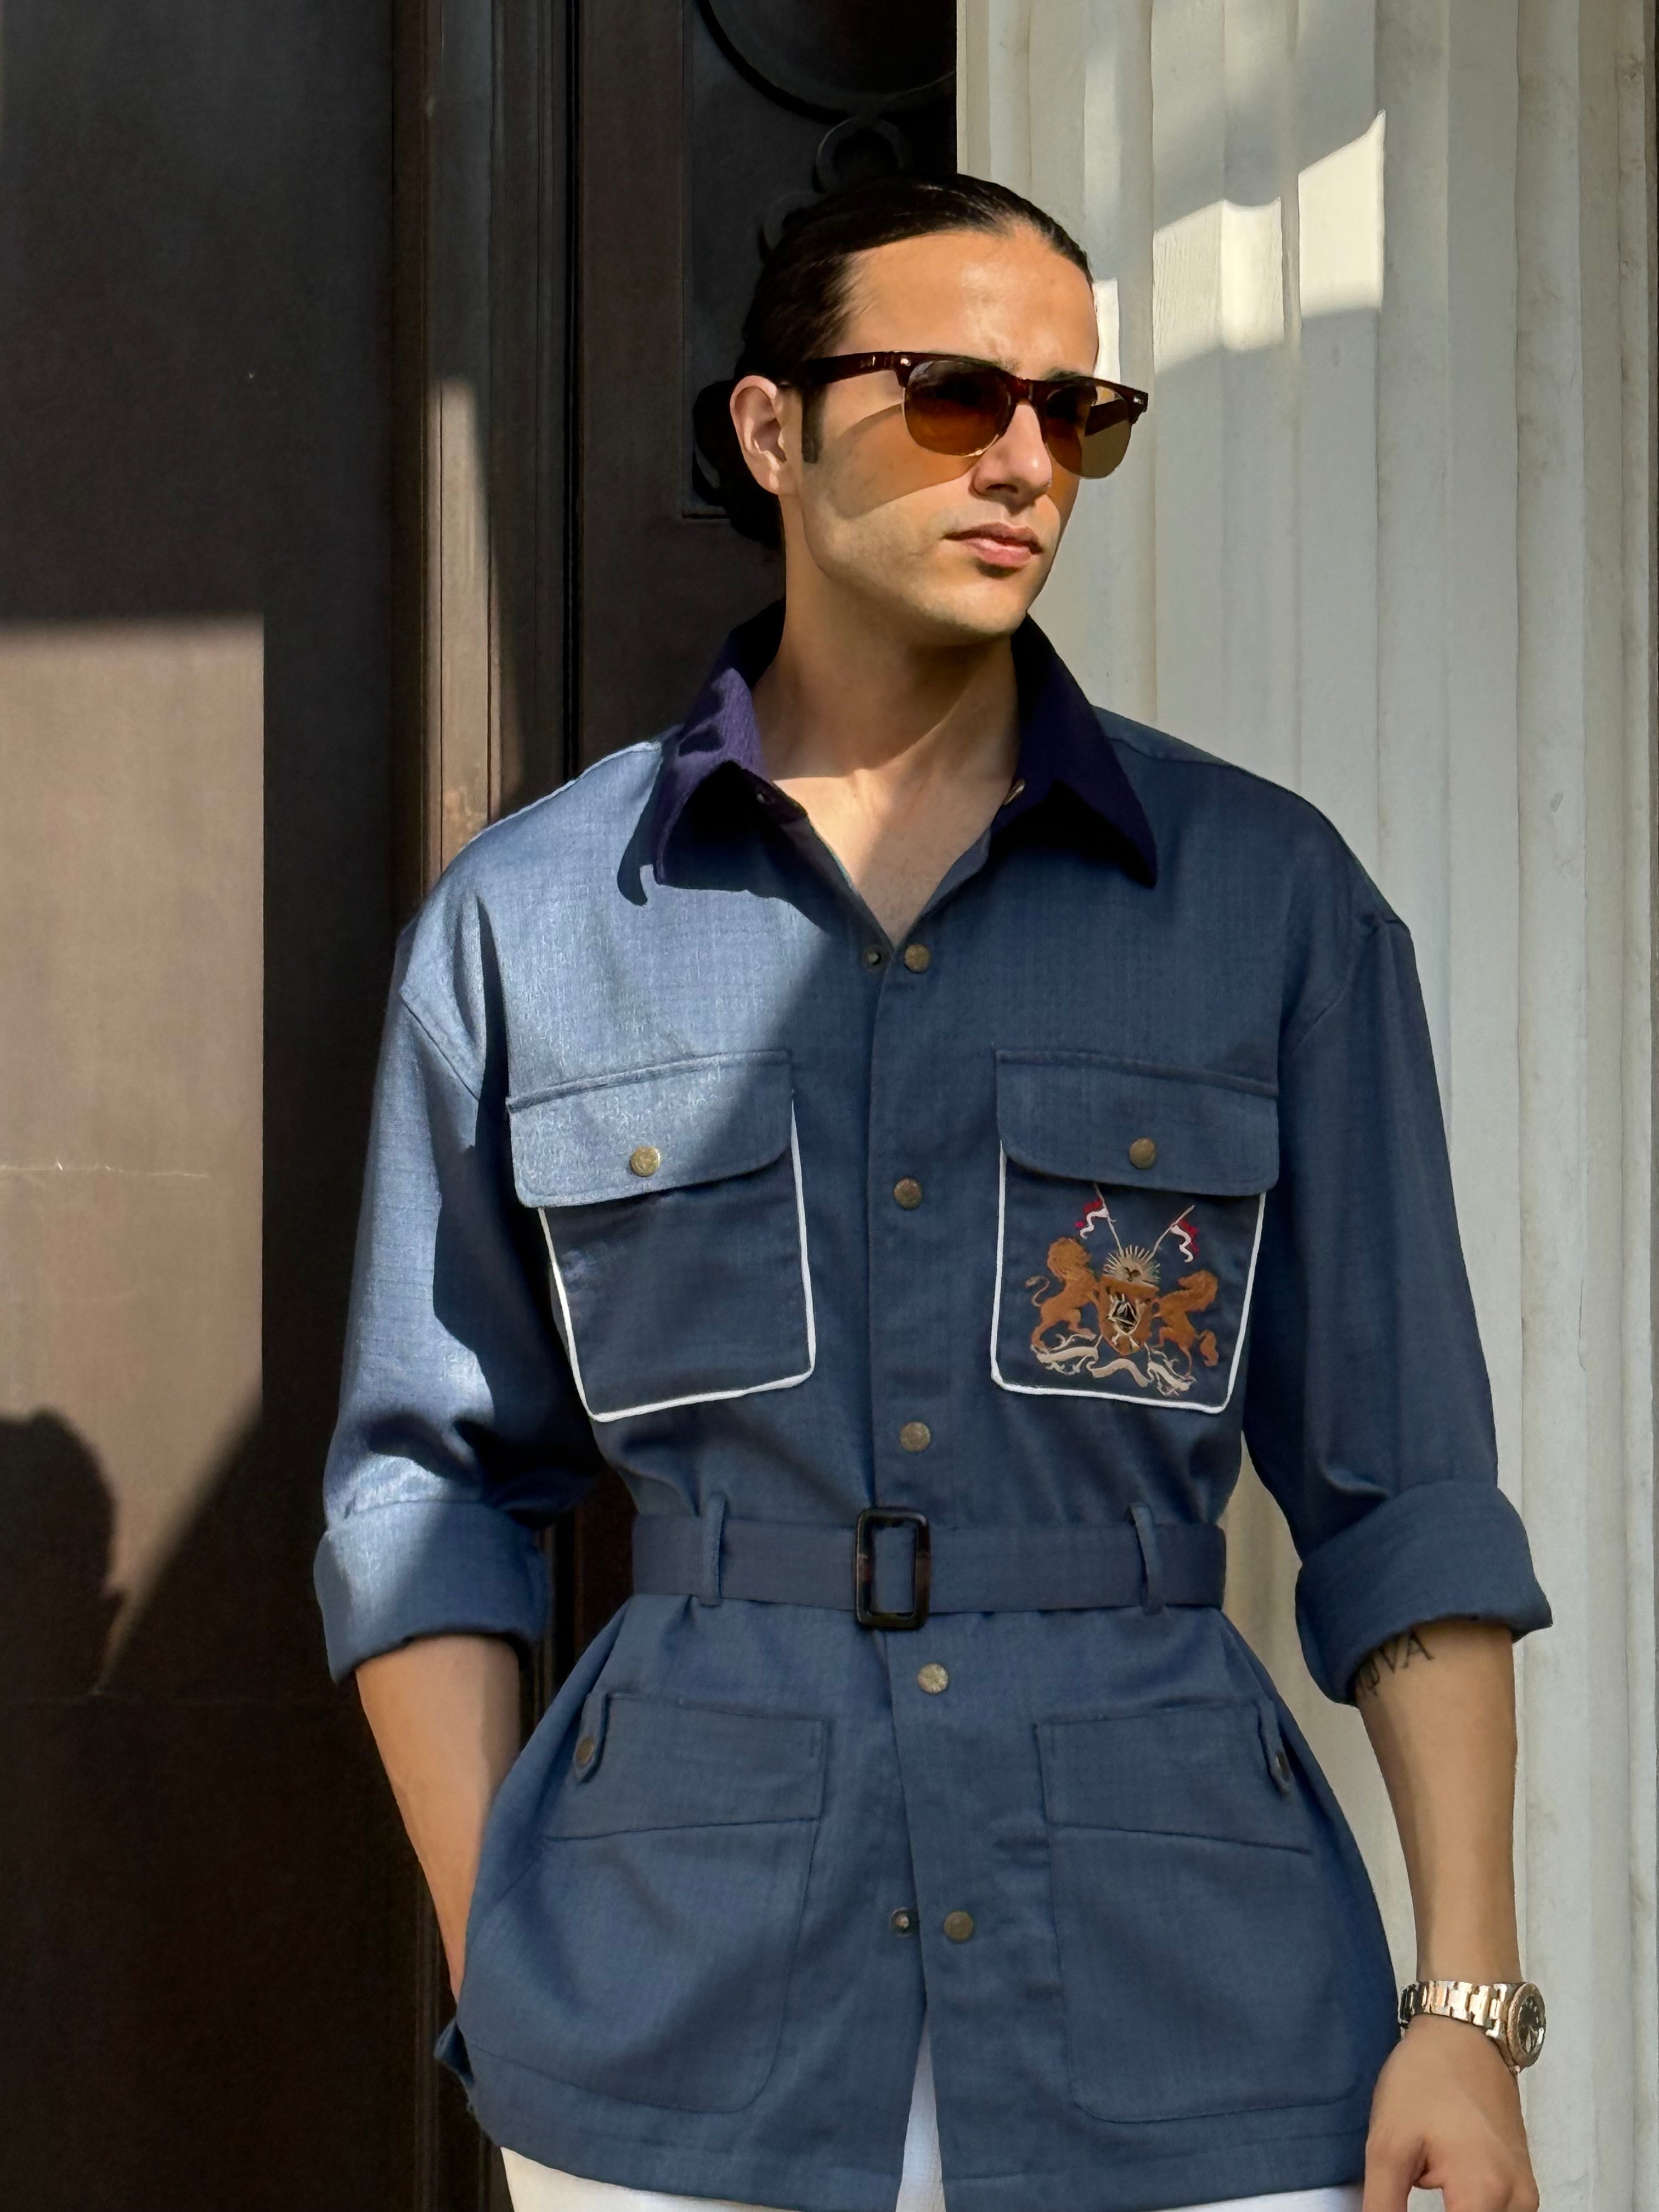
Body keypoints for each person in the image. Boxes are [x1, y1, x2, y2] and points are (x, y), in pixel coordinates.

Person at [315, 174, 1551, 2212]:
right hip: (672, 2009)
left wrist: (1468, 2009)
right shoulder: (533, 928)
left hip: (1190, 1999)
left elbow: (1406, 1493)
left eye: (1081, 412)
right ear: (771, 429)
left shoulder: (1266, 905)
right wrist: (499, 1945)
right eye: (957, 393)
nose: (1026, 461)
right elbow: (422, 1493)